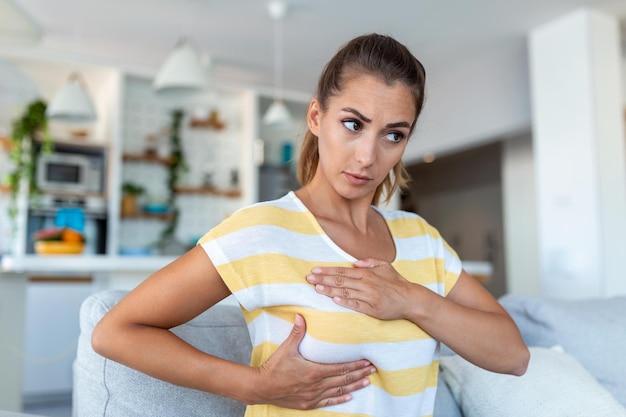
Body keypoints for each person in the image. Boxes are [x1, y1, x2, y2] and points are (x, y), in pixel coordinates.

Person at [93, 33, 529, 417]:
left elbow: (513, 355)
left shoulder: (421, 240)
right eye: (353, 124)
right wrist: (254, 385)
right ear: (317, 117)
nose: (366, 156)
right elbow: (115, 332)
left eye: (393, 135)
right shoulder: (262, 230)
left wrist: (412, 300)